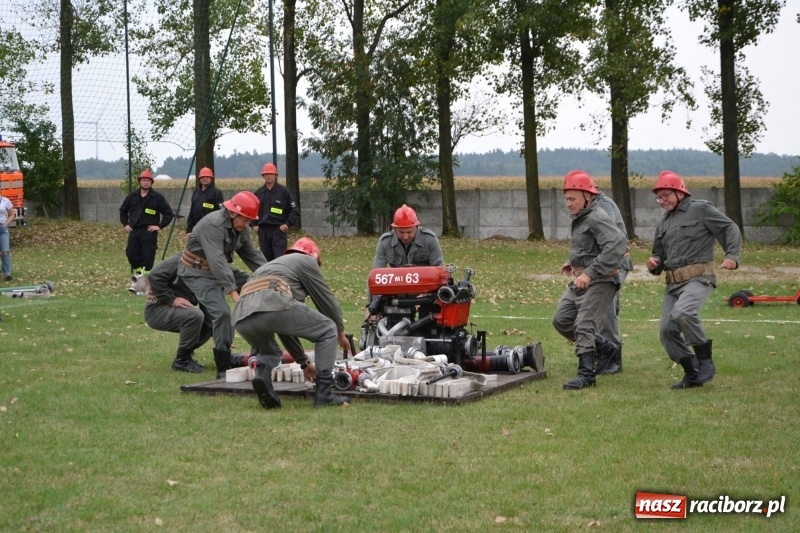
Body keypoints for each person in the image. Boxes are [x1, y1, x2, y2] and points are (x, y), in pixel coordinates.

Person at [647, 170, 741, 389]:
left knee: (684, 313)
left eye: (666, 195)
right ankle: (692, 373)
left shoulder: (700, 209)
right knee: (666, 332)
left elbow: (730, 228)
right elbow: (659, 254)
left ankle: (705, 361)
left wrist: (732, 256)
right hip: (673, 284)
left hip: (700, 278)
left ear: (680, 192)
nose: (662, 201)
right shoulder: (663, 222)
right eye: (659, 197)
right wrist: (654, 263)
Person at [233, 237, 351, 409]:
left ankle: (262, 375)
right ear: (314, 257)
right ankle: (324, 393)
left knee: (269, 352)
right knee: (327, 329)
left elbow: (284, 327)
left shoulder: (276, 265)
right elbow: (326, 301)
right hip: (272, 301)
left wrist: (304, 363)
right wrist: (340, 332)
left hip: (241, 315)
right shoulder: (307, 261)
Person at [178, 191, 267, 379]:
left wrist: (274, 273)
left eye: (250, 221)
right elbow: (217, 260)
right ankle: (222, 366)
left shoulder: (241, 228)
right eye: (246, 220)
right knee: (222, 313)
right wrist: (233, 293)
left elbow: (252, 255)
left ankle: (261, 348)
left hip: (216, 269)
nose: (247, 225)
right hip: (197, 272)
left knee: (256, 284)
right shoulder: (214, 224)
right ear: (234, 213)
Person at [552, 170, 627, 390]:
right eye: (566, 198)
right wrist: (574, 264)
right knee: (562, 320)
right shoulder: (581, 217)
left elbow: (617, 244)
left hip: (602, 280)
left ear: (588, 196)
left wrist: (589, 272)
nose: (568, 203)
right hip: (582, 277)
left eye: (572, 198)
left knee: (584, 323)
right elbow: (590, 247)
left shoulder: (597, 216)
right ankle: (605, 347)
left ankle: (586, 374)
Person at [591, 185, 634, 374]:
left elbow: (613, 238)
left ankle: (612, 359)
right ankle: (600, 352)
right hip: (599, 265)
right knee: (606, 305)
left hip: (615, 264)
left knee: (605, 305)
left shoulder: (603, 205)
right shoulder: (586, 208)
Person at [119, 169, 174, 275]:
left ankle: (146, 279)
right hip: (134, 230)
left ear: (151, 182)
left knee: (148, 255)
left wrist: (159, 226)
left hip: (149, 231)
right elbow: (123, 210)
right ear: (140, 181)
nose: (146, 182)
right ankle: (140, 273)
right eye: (144, 180)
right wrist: (125, 224)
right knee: (131, 253)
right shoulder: (132, 196)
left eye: (148, 180)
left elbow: (168, 214)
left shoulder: (157, 197)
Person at [371, 204, 443, 269]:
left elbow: (439, 270)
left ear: (416, 227)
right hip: (398, 282)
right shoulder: (385, 242)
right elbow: (376, 273)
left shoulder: (429, 239)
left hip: (425, 281)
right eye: (401, 232)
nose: (405, 237)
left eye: (409, 232)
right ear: (395, 229)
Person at [253, 162, 299, 261]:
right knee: (265, 261)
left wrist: (287, 225)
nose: (269, 176)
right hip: (263, 232)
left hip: (278, 231)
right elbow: (252, 210)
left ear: (275, 175)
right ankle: (268, 277)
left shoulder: (284, 192)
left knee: (280, 260)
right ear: (263, 176)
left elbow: (294, 210)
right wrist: (253, 226)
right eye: (266, 174)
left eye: (271, 174)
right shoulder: (258, 193)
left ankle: (279, 277)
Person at [186, 166, 224, 237]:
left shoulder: (216, 193)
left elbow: (221, 213)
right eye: (203, 177)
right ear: (199, 178)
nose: (205, 178)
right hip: (196, 230)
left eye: (207, 177)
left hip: (211, 231)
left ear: (211, 179)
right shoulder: (196, 192)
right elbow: (192, 212)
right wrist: (189, 230)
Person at [0, 190, 15, 281]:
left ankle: (7, 273)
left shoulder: (6, 201)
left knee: (5, 251)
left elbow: (12, 214)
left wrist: (5, 224)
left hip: (2, 229)